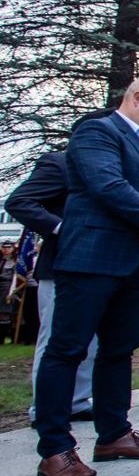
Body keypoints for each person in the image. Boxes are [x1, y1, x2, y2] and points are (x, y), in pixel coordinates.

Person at [34, 76, 139, 476]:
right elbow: (108, 186)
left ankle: (114, 432)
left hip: (136, 263)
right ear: (136, 97)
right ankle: (54, 447)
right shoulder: (96, 131)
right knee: (67, 350)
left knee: (119, 351)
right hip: (92, 259)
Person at [4, 145, 102, 426]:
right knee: (56, 339)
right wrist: (61, 227)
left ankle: (78, 401)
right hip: (62, 264)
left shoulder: (112, 168)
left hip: (102, 267)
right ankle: (44, 408)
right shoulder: (60, 163)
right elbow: (20, 201)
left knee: (92, 340)